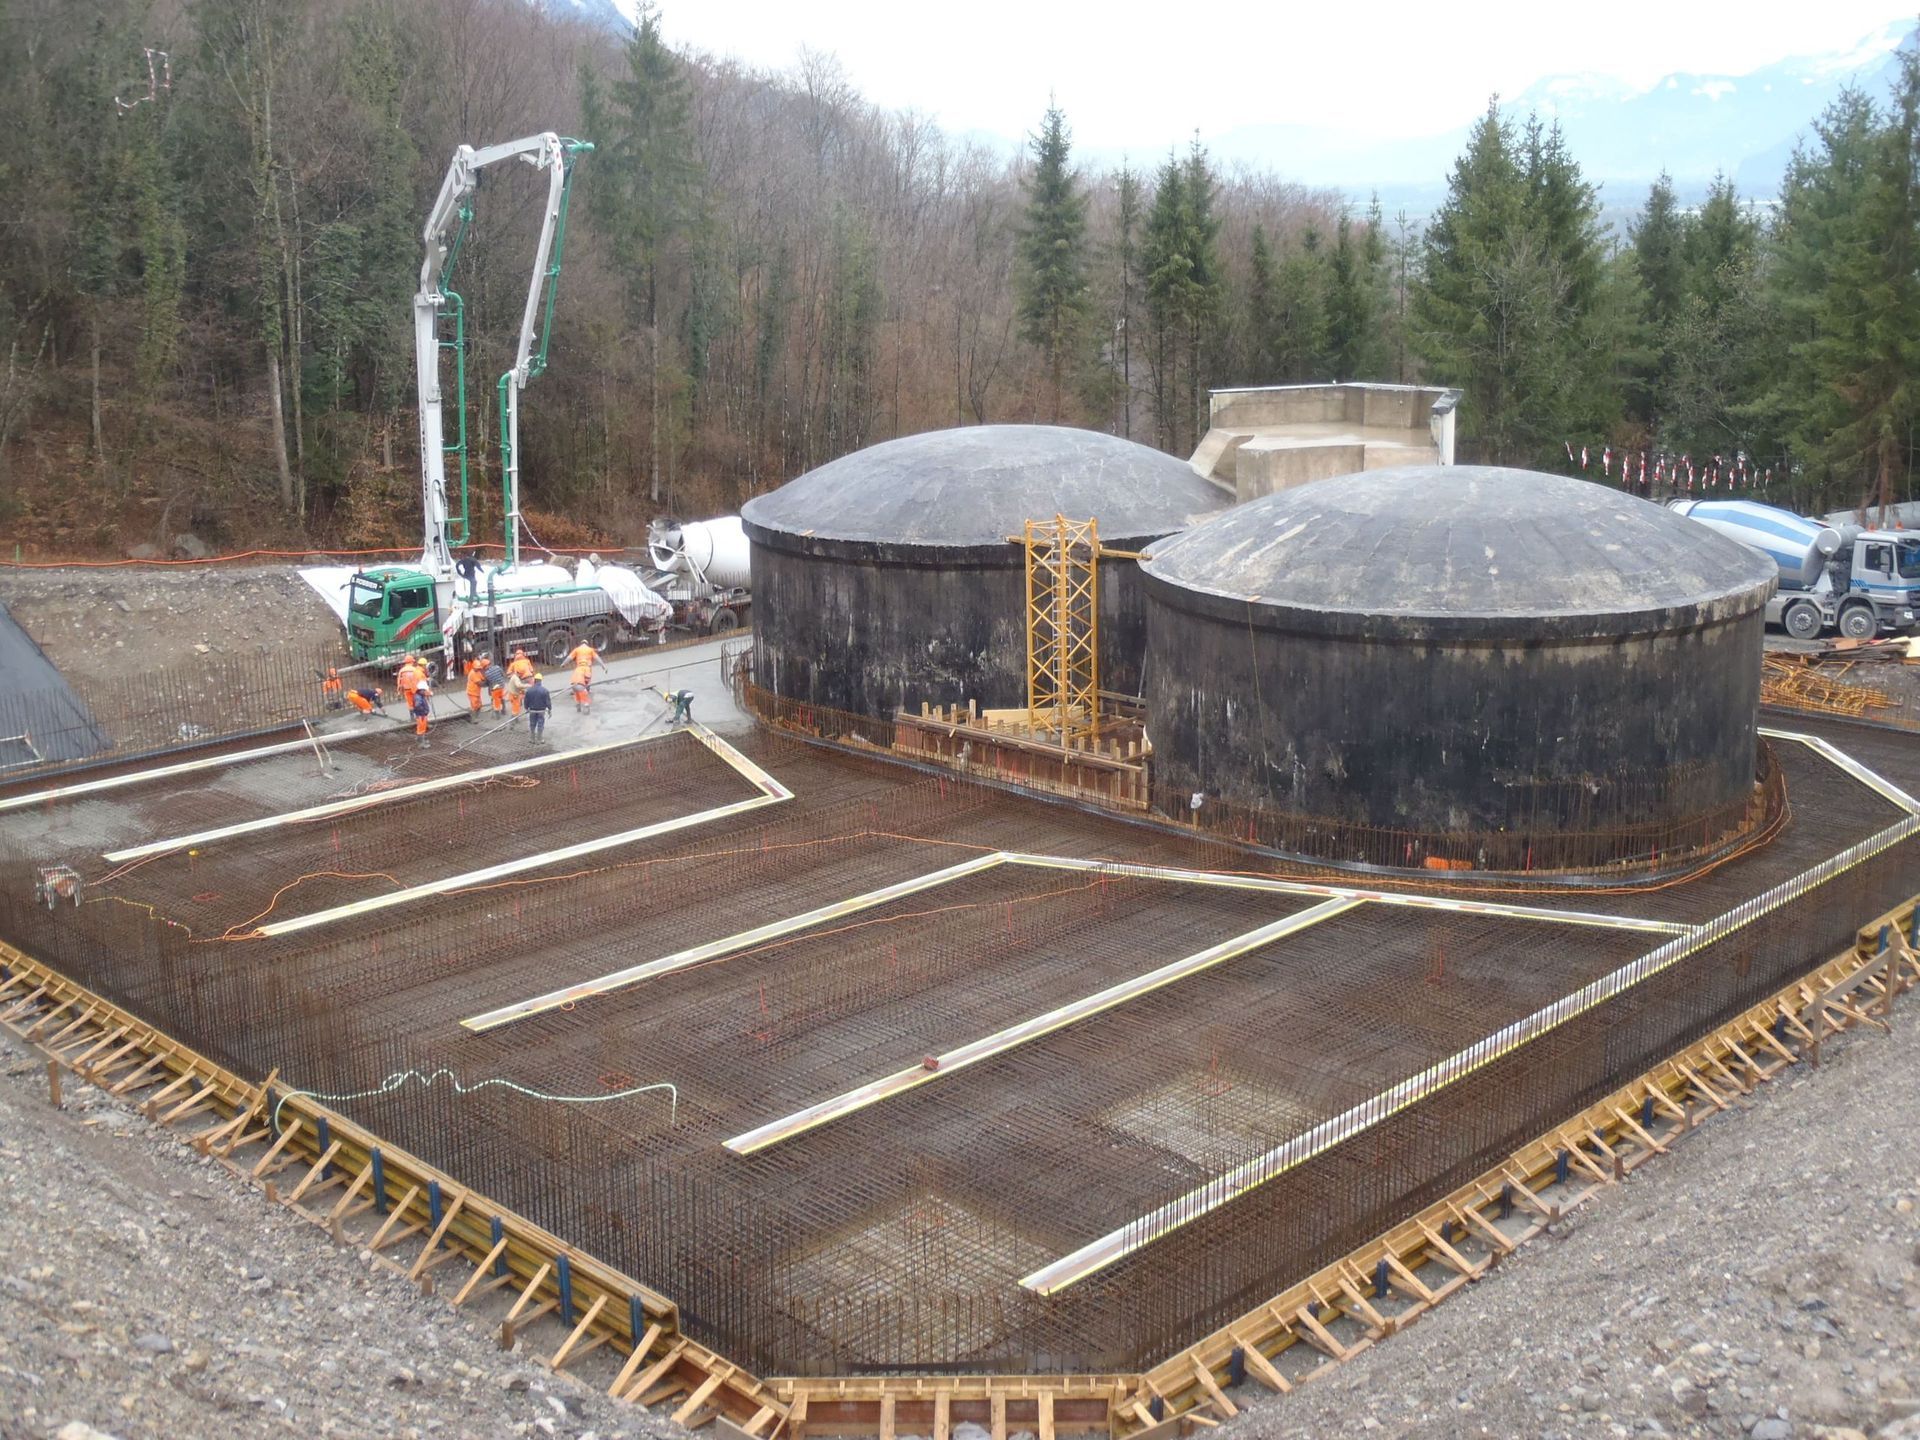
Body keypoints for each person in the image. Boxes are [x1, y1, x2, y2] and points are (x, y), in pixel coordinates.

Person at [568, 640, 601, 713]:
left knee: (577, 695)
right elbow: (587, 679)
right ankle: (586, 708)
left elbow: (573, 678)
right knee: (585, 695)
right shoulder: (586, 668)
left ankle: (578, 706)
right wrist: (585, 686)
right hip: (580, 685)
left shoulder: (577, 669)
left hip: (573, 684)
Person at [506, 647, 535, 718]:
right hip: (529, 677)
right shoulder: (527, 661)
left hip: (521, 679)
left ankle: (521, 703)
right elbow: (531, 670)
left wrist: (514, 675)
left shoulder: (513, 663)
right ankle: (532, 703)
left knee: (521, 692)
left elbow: (508, 673)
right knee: (531, 691)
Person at [524, 672, 551, 745]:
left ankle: (532, 739)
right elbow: (548, 701)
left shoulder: (529, 690)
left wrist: (526, 708)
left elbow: (526, 701)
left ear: (534, 680)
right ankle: (540, 739)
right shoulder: (545, 690)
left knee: (532, 724)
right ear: (541, 681)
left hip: (532, 711)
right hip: (541, 711)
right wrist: (549, 710)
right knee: (540, 725)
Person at [464, 651, 490, 722]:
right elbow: (480, 683)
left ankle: (476, 717)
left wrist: (487, 677)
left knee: (479, 705)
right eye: (477, 668)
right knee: (474, 706)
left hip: (477, 692)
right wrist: (488, 683)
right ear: (474, 667)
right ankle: (473, 719)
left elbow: (483, 678)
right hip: (472, 692)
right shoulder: (472, 674)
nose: (479, 669)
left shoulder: (478, 672)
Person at [411, 681, 433, 746]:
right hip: (421, 715)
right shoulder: (418, 697)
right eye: (424, 690)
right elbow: (417, 706)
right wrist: (424, 711)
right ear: (421, 690)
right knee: (422, 729)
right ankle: (422, 743)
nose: (425, 691)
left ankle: (419, 739)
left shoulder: (419, 695)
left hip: (421, 715)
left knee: (420, 728)